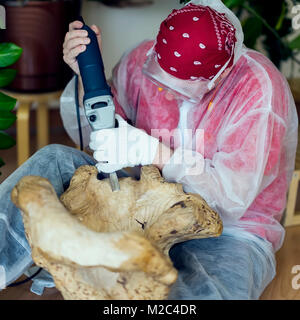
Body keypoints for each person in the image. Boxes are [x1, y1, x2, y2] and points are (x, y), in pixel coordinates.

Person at [0, 0, 298, 299]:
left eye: (180, 88)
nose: (166, 92)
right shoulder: (140, 59)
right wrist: (85, 79)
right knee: (54, 160)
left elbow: (231, 198)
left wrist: (155, 153)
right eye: (160, 78)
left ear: (218, 76)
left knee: (204, 293)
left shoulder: (257, 90)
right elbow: (100, 134)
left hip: (228, 231)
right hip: (137, 197)